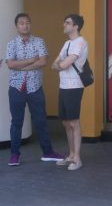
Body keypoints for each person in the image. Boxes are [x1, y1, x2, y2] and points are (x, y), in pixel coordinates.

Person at [5, 13, 63, 166]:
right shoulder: (11, 44)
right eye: (22, 23)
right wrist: (32, 60)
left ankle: (48, 152)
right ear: (17, 26)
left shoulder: (39, 41)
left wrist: (21, 66)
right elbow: (10, 64)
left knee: (41, 121)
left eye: (28, 22)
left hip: (35, 88)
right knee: (16, 122)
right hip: (16, 88)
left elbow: (43, 61)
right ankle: (14, 155)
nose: (25, 25)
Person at [51, 14, 88, 171]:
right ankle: (71, 155)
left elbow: (63, 64)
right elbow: (54, 64)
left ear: (75, 26)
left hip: (74, 86)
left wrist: (60, 65)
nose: (64, 25)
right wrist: (60, 65)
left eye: (67, 23)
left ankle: (77, 158)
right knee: (66, 122)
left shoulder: (81, 42)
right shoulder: (67, 43)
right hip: (64, 86)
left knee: (74, 122)